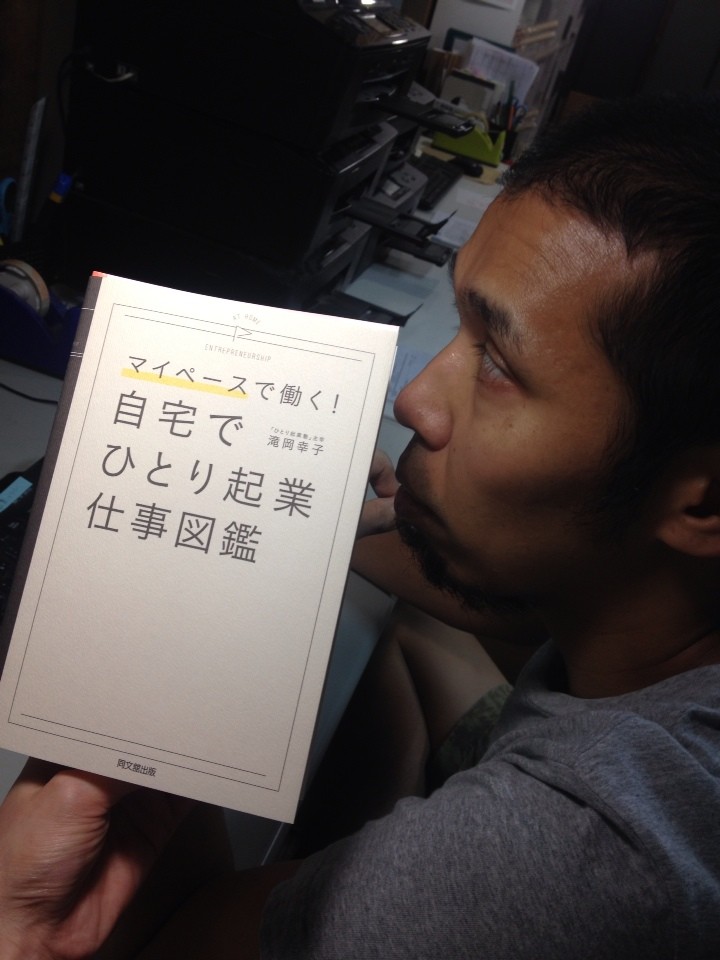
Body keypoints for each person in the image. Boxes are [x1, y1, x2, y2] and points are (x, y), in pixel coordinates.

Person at [2, 90, 720, 958]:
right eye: (460, 325)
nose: (414, 399)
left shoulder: (561, 866)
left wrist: (147, 713)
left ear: (703, 500)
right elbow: (493, 601)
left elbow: (165, 935)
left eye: (497, 362)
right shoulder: (652, 628)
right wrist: (277, 506)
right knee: (402, 643)